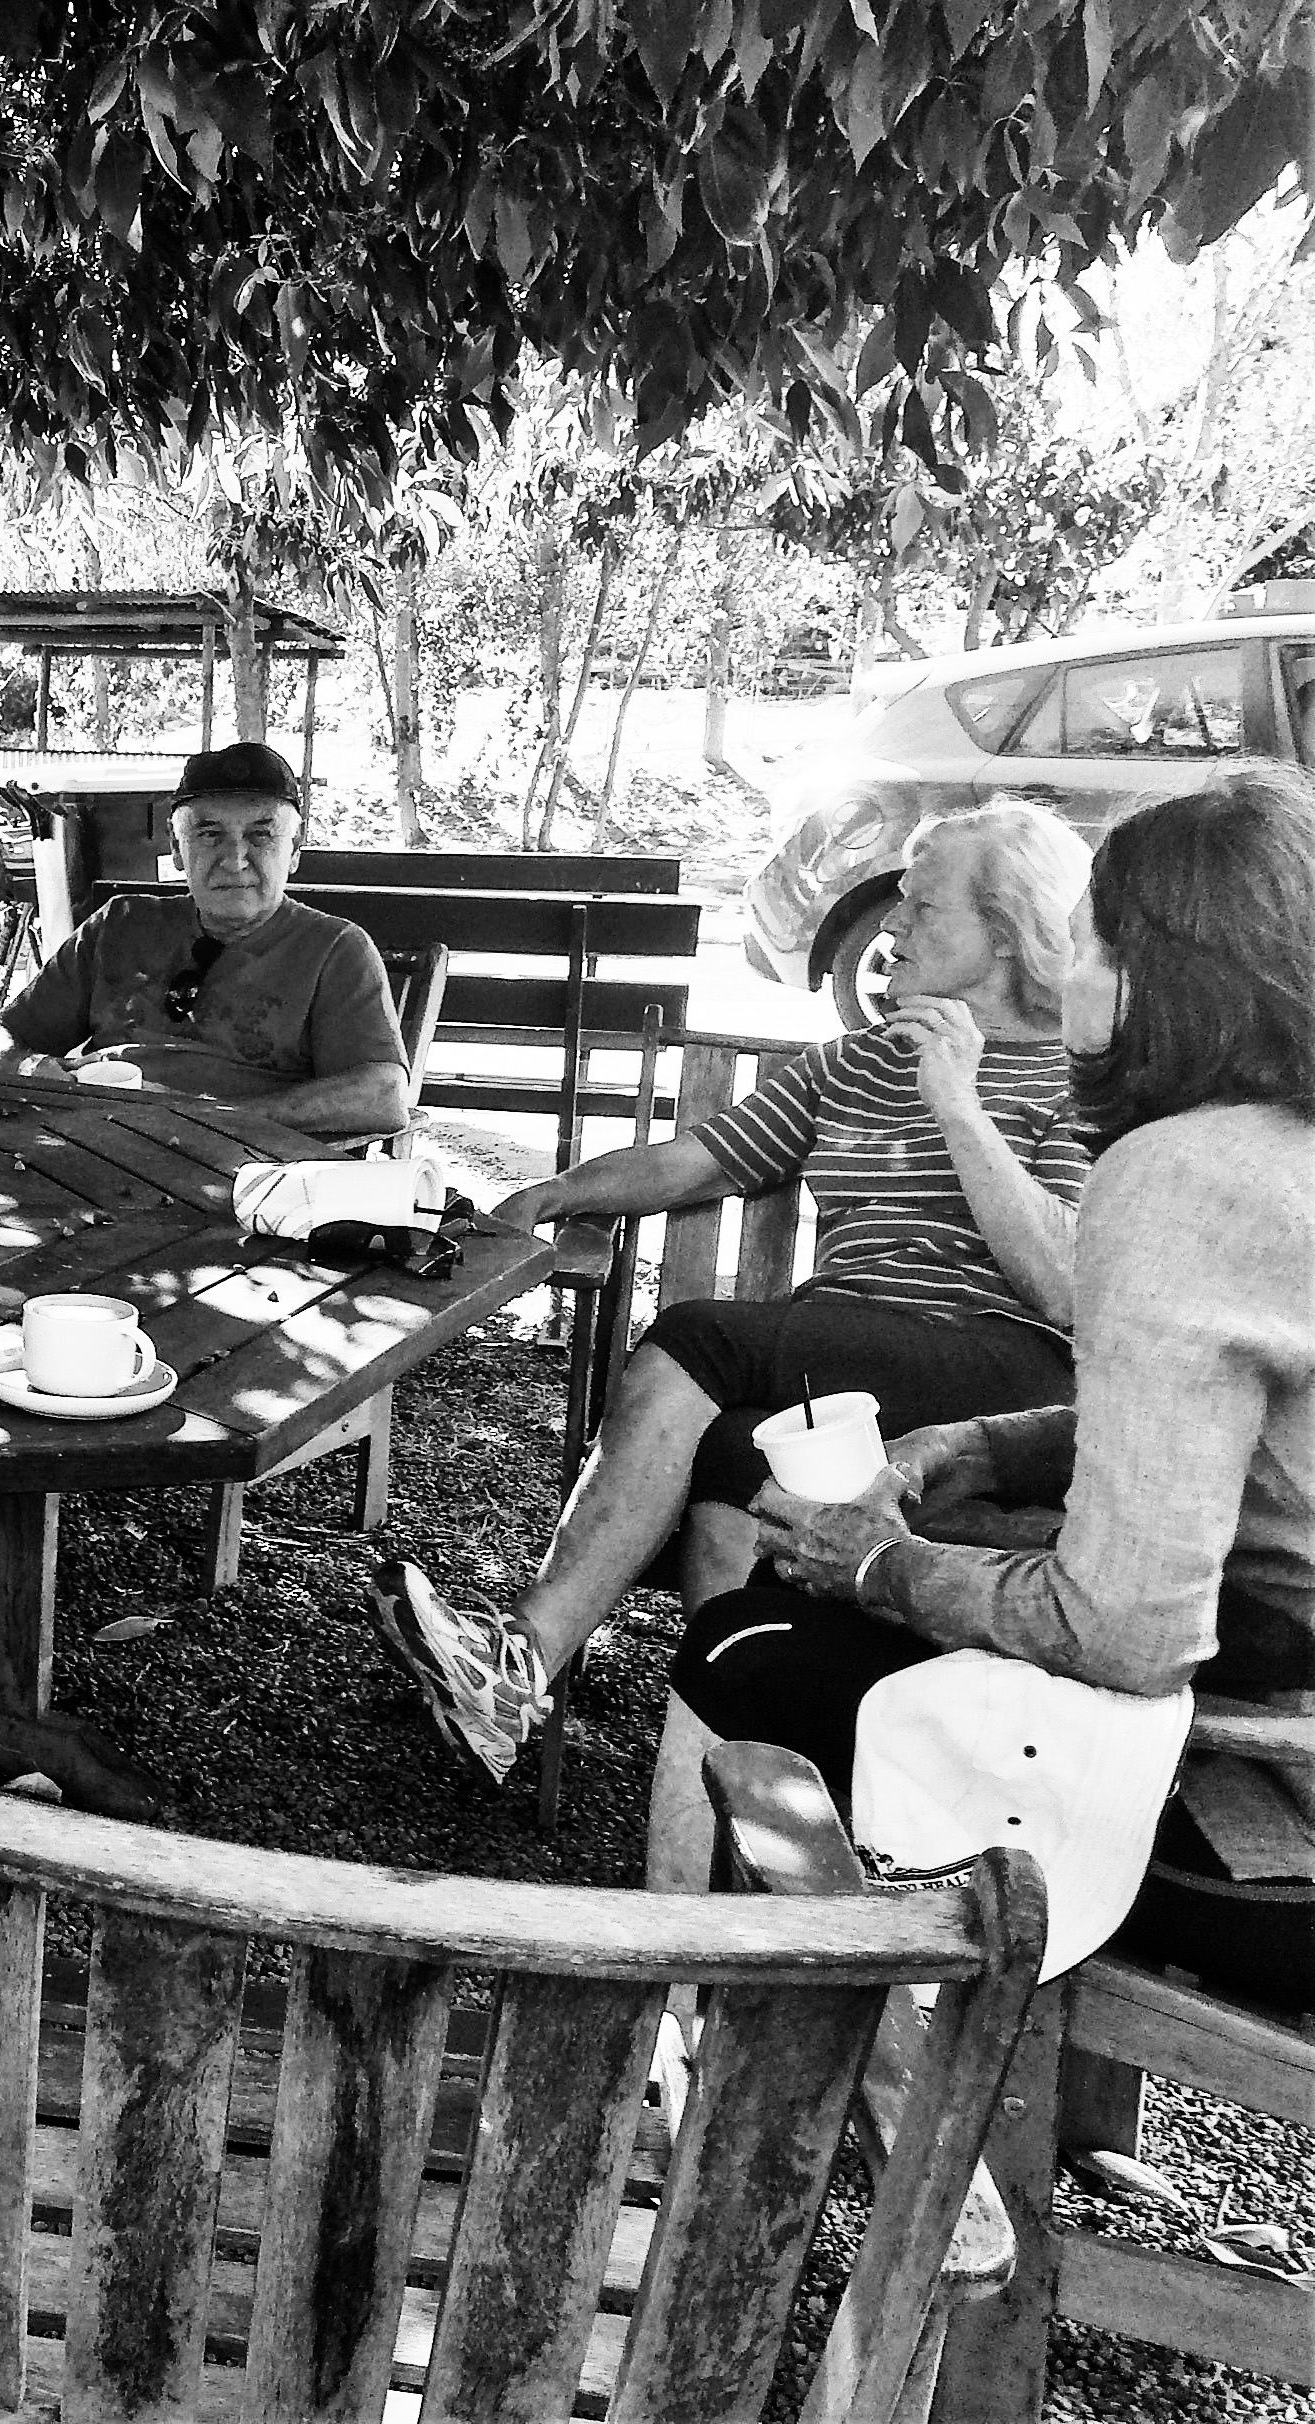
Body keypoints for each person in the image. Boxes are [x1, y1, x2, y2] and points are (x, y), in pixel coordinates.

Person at [672, 765, 1314, 2005]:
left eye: (1089, 945)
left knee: (746, 1639)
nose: (1067, 975)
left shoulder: (1179, 1174)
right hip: (1275, 1699)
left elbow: (1127, 1634)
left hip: (1265, 1824)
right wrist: (984, 1445)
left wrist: (881, 1565)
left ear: (1157, 978)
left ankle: (707, 2025)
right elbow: (1227, 1420)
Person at [373, 800, 1095, 1782]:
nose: (890, 925)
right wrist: (550, 1193)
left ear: (1008, 933)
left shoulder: (1075, 1079)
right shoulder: (854, 1063)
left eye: (923, 907)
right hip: (844, 1365)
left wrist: (958, 1104)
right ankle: (741, 1771)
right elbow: (699, 1158)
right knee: (728, 1451)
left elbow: (1062, 1288)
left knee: (697, 1338)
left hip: (1000, 1377)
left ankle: (524, 1658)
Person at [0, 742, 409, 1139]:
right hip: (94, 1143)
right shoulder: (119, 925)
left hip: (238, 1168)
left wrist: (209, 1120)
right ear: (177, 850)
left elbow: (382, 1096)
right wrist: (29, 1068)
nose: (235, 859)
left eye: (261, 835)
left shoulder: (335, 950)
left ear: (294, 851)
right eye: (209, 834)